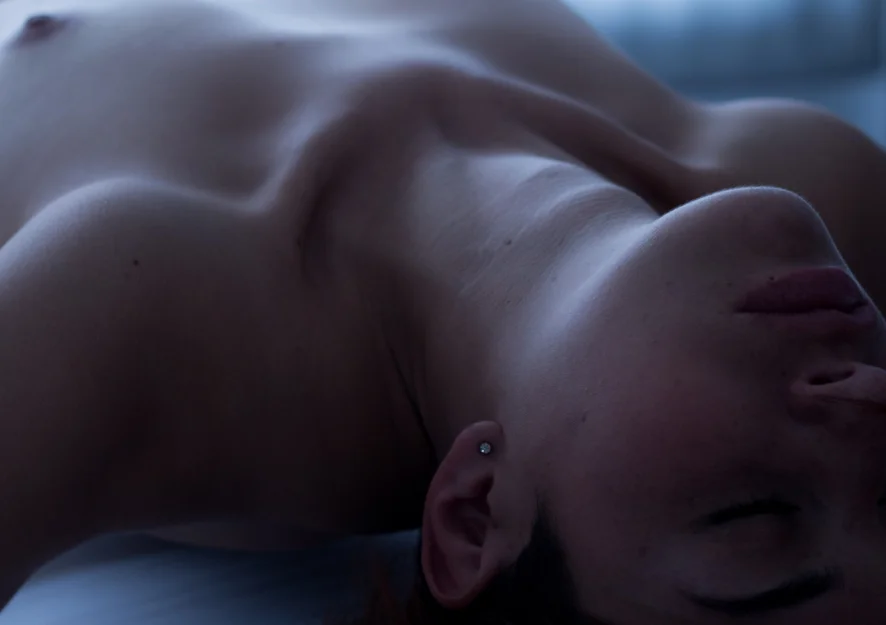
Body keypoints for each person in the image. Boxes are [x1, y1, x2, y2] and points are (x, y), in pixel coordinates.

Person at [1, 0, 885, 622]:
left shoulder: (158, 315)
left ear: (475, 511)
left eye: (755, 515)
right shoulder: (837, 210)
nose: (871, 403)